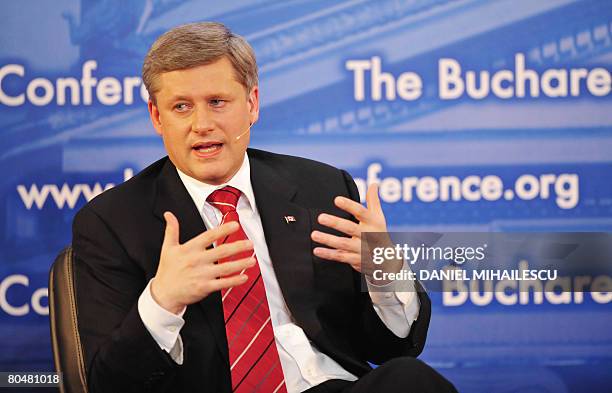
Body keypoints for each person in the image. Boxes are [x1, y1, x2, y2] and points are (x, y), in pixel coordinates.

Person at [72, 22, 457, 393]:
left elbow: (390, 348)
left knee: (410, 379)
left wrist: (385, 275)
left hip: (329, 385)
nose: (202, 123)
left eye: (217, 102)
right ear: (158, 117)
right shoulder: (111, 222)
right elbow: (109, 382)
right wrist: (163, 301)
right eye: (181, 107)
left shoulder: (321, 189)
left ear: (252, 104)